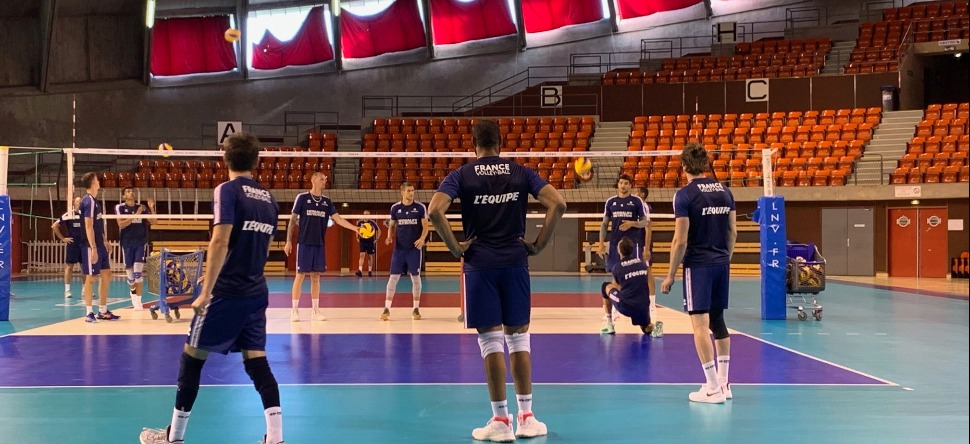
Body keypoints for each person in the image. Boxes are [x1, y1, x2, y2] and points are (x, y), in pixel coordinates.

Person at [140, 132, 285, 444]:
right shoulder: (270, 199)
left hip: (226, 293)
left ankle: (173, 438)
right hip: (256, 291)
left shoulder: (227, 190)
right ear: (256, 161)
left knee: (191, 357)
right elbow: (262, 245)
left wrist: (206, 291)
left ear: (225, 160)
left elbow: (220, 239)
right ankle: (275, 437)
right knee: (257, 361)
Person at [429, 119, 566, 441]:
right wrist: (539, 244)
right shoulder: (520, 172)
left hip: (480, 264)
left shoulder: (461, 175)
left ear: (473, 144)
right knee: (519, 339)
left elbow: (435, 211)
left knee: (490, 341)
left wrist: (455, 248)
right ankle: (528, 418)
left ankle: (501, 422)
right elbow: (558, 203)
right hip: (515, 261)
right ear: (501, 143)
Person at [660, 143, 737, 404]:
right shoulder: (725, 191)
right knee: (718, 322)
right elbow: (732, 231)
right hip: (721, 262)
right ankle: (725, 384)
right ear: (705, 164)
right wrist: (727, 258)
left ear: (683, 166)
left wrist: (670, 275)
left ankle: (713, 387)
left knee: (700, 326)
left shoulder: (684, 195)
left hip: (698, 265)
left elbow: (680, 240)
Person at [284, 172, 358, 322]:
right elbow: (292, 221)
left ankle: (315, 311)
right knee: (300, 276)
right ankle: (294, 310)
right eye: (321, 179)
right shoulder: (302, 198)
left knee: (316, 277)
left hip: (319, 244)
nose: (324, 181)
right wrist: (288, 241)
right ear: (313, 180)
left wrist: (355, 228)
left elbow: (338, 219)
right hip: (304, 243)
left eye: (325, 179)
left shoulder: (327, 202)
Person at [595, 174, 649, 331]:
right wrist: (600, 244)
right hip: (615, 247)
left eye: (626, 183)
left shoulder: (637, 201)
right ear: (617, 185)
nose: (623, 185)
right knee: (615, 277)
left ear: (630, 185)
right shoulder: (611, 202)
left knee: (636, 276)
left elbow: (645, 222)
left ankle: (639, 308)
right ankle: (615, 310)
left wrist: (632, 223)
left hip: (632, 246)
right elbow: (604, 224)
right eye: (621, 183)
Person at [380, 182, 431, 321]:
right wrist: (389, 237)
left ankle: (415, 309)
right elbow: (392, 225)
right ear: (402, 192)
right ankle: (386, 309)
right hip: (399, 249)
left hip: (414, 249)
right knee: (393, 277)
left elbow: (426, 226)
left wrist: (422, 238)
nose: (411, 193)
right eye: (408, 191)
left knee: (415, 278)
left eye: (413, 190)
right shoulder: (395, 208)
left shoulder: (420, 207)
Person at [79, 172, 119, 323]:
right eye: (97, 179)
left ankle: (103, 310)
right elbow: (88, 227)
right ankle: (89, 312)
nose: (99, 181)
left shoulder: (95, 201)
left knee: (107, 274)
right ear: (93, 182)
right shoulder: (88, 201)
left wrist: (105, 241)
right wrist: (93, 247)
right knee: (91, 277)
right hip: (90, 245)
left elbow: (97, 226)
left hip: (99, 244)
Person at [600, 237, 652, 335]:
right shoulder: (642, 264)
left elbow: (616, 286)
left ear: (619, 250)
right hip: (643, 306)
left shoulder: (618, 267)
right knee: (646, 329)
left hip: (626, 306)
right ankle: (653, 327)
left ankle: (609, 324)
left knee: (605, 286)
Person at [115, 187, 156, 310]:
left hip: (140, 242)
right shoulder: (120, 208)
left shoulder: (142, 207)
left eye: (132, 191)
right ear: (123, 196)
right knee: (131, 278)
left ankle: (138, 301)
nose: (131, 193)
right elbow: (121, 224)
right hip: (127, 243)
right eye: (128, 191)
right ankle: (132, 292)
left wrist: (151, 207)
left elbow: (154, 221)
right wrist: (136, 214)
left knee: (138, 273)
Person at [633, 186, 661, 336]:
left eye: (637, 191)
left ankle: (652, 304)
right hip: (634, 242)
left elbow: (648, 227)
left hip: (643, 243)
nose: (634, 193)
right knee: (634, 273)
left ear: (642, 194)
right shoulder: (634, 205)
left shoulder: (644, 206)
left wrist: (646, 247)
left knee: (648, 272)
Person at [52, 197, 82, 298]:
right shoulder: (69, 214)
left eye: (81, 201)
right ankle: (67, 290)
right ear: (73, 203)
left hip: (84, 244)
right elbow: (54, 226)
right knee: (69, 267)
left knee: (85, 267)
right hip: (73, 244)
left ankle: (85, 289)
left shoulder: (86, 214)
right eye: (78, 201)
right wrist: (63, 238)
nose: (80, 203)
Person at [355, 210, 381, 277]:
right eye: (365, 214)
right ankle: (360, 271)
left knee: (370, 256)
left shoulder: (372, 222)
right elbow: (357, 230)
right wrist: (357, 237)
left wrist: (377, 239)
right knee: (362, 255)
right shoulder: (360, 222)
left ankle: (370, 271)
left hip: (370, 241)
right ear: (363, 215)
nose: (366, 215)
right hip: (362, 241)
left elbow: (379, 230)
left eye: (368, 214)